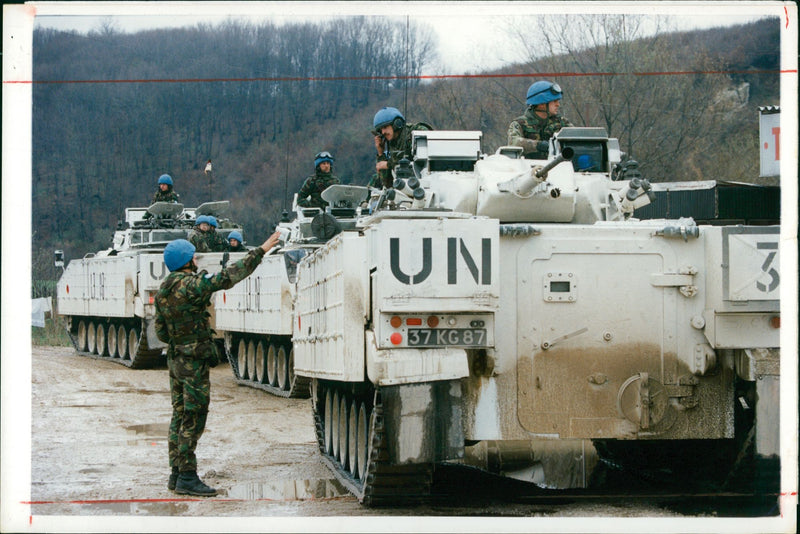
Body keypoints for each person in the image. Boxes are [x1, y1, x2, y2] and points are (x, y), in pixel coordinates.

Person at [155, 231, 281, 496]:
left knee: (179, 414)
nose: (196, 261)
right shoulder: (191, 285)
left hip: (176, 358)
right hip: (193, 360)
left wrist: (181, 338)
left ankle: (176, 473)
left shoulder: (163, 289)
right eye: (193, 258)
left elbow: (161, 332)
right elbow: (227, 276)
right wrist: (260, 250)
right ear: (185, 261)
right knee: (194, 415)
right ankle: (187, 476)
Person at [507, 81, 573, 159]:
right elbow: (513, 142)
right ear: (542, 104)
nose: (558, 104)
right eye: (554, 101)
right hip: (528, 165)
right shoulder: (520, 124)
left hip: (558, 165)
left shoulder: (562, 122)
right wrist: (538, 145)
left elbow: (576, 139)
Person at [372, 107, 432, 188]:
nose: (383, 132)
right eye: (380, 130)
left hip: (426, 181)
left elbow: (428, 154)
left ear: (397, 124)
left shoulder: (416, 132)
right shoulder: (393, 144)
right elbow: (387, 184)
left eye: (385, 127)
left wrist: (389, 164)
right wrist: (381, 153)